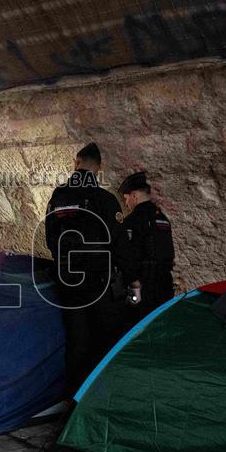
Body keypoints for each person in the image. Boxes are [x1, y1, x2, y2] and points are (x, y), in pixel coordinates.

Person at [45, 143, 139, 396]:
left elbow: (50, 240)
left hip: (69, 284)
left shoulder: (58, 197)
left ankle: (74, 401)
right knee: (105, 342)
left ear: (76, 163)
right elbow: (121, 246)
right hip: (100, 286)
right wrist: (134, 282)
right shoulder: (105, 200)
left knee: (77, 343)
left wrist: (65, 266)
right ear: (98, 168)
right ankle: (102, 399)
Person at [118, 171, 175, 323]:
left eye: (126, 198)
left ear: (134, 196)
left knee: (138, 327)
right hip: (165, 284)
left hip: (144, 287)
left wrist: (134, 285)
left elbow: (127, 256)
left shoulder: (132, 221)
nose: (126, 203)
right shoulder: (162, 218)